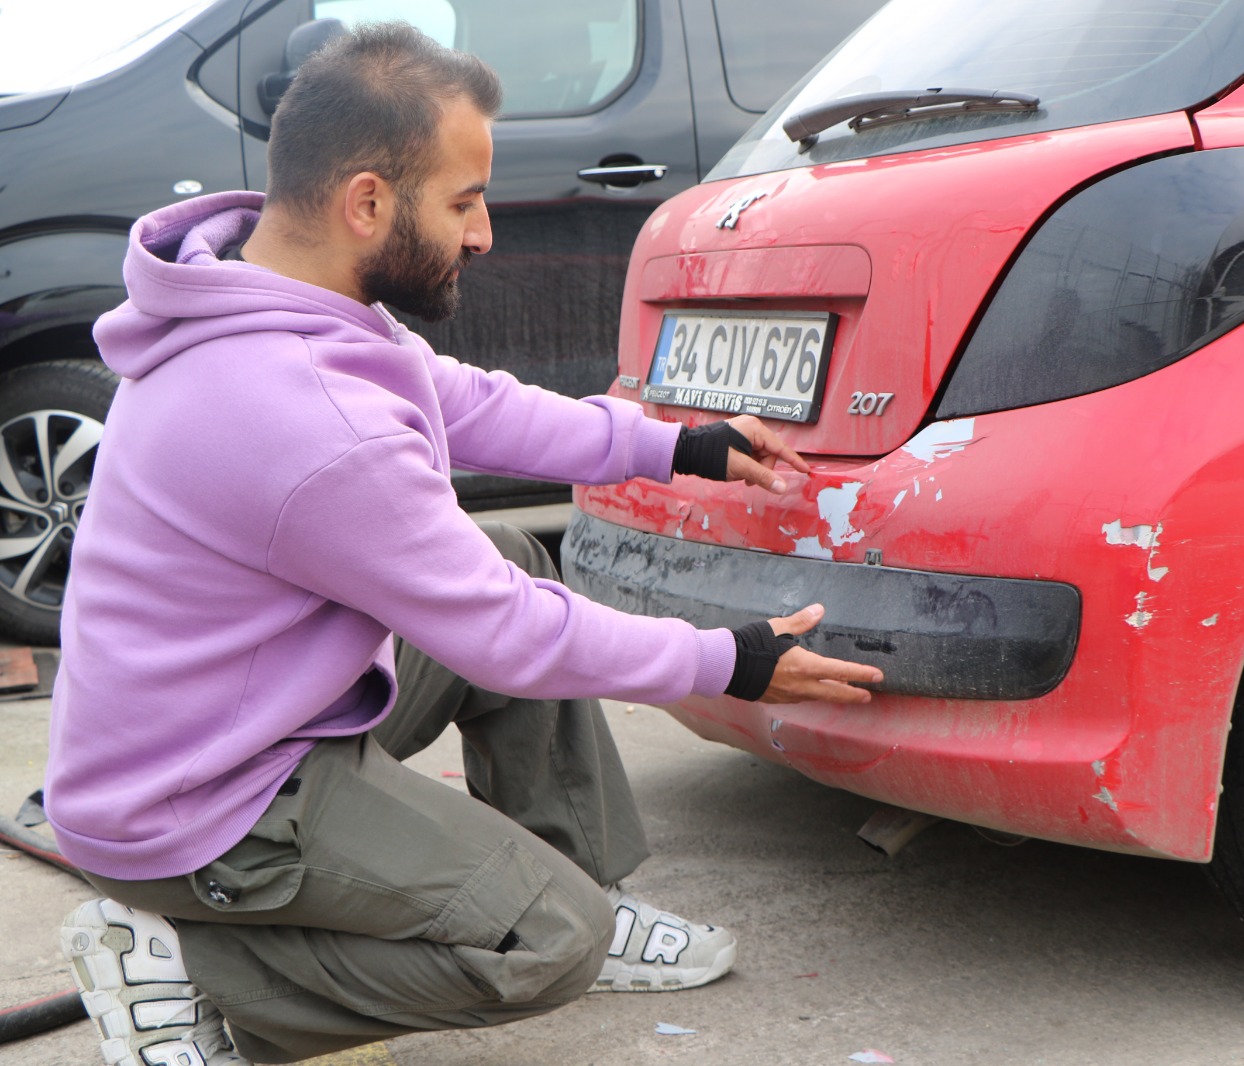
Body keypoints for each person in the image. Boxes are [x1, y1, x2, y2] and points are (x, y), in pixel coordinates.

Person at [45, 21, 882, 1066]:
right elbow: (503, 634)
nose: (483, 233)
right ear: (366, 202)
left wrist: (682, 446)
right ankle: (185, 960)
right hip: (207, 806)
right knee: (545, 942)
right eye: (462, 202)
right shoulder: (303, 416)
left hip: (233, 722)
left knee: (523, 559)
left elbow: (475, 405)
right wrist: (731, 659)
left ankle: (584, 873)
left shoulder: (280, 304)